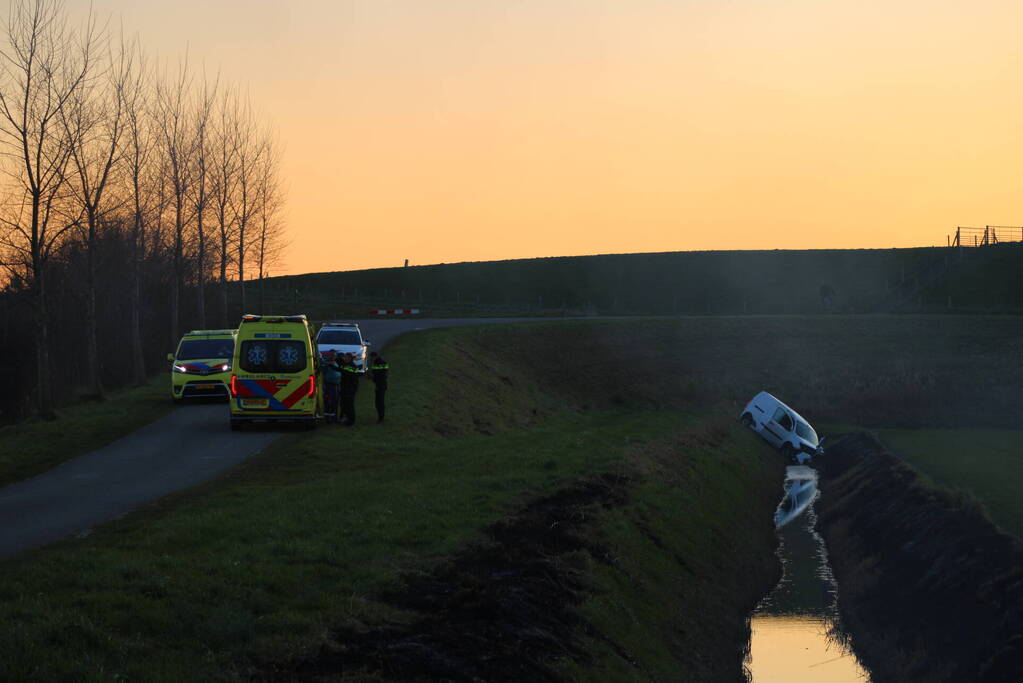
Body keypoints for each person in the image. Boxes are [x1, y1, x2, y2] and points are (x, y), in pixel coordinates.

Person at [337, 352, 361, 426]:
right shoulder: (348, 365)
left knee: (349, 405)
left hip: (350, 388)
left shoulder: (352, 366)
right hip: (346, 388)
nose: (344, 359)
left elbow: (346, 373)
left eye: (346, 358)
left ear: (349, 358)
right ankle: (346, 419)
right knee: (344, 404)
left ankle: (351, 421)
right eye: (344, 357)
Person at [368, 351, 389, 422]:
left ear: (375, 356)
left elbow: (382, 374)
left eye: (372, 357)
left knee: (380, 402)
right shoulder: (376, 362)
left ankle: (381, 417)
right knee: (378, 402)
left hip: (381, 384)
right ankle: (380, 416)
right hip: (379, 384)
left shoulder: (381, 362)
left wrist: (373, 377)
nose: (371, 359)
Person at [321, 351, 342, 422]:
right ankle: (327, 418)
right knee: (328, 401)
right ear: (329, 355)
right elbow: (323, 371)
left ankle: (334, 417)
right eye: (332, 355)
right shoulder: (326, 364)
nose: (333, 356)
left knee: (335, 402)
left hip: (337, 385)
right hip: (329, 385)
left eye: (334, 355)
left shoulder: (336, 363)